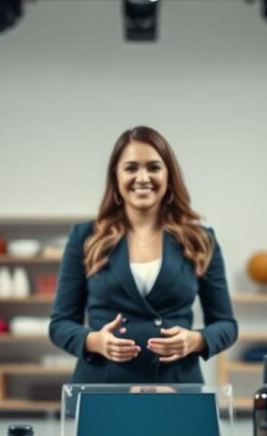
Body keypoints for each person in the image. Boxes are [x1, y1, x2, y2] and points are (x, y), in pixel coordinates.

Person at [49, 126, 238, 384]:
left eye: (153, 167)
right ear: (115, 177)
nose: (142, 177)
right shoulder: (85, 238)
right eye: (131, 168)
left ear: (169, 176)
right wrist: (94, 341)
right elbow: (60, 324)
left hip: (176, 387)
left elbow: (226, 325)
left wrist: (196, 340)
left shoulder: (201, 240)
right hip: (102, 388)